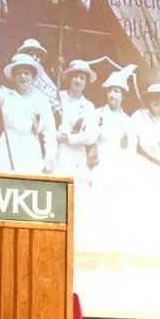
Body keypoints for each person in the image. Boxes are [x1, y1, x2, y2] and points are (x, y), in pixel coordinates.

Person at [0, 52, 56, 173]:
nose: (23, 76)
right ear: (13, 77)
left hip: (30, 149)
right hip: (7, 147)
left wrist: (50, 158)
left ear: (33, 76)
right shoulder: (5, 96)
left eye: (26, 73)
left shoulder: (42, 101)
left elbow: (50, 131)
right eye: (19, 73)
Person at [129, 83, 160, 263]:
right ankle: (140, 255)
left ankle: (159, 255)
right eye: (155, 97)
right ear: (148, 99)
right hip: (144, 168)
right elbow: (131, 146)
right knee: (144, 210)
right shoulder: (138, 117)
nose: (159, 100)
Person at [90, 66, 135, 259]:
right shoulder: (98, 114)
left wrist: (127, 171)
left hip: (119, 166)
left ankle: (116, 254)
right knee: (99, 208)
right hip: (101, 164)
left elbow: (130, 147)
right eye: (109, 91)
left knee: (117, 209)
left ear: (123, 94)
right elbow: (90, 138)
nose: (112, 95)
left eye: (116, 91)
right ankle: (97, 253)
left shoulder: (127, 120)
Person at [53, 59, 98, 254]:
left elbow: (90, 136)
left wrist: (68, 138)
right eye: (75, 76)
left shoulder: (88, 107)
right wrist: (56, 134)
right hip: (57, 154)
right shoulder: (56, 98)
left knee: (78, 202)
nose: (78, 80)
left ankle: (77, 247)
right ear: (69, 78)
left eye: (82, 77)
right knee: (58, 198)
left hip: (77, 157)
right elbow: (45, 124)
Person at [16, 38, 58, 103]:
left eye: (37, 55)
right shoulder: (19, 75)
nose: (34, 58)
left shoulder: (48, 75)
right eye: (31, 55)